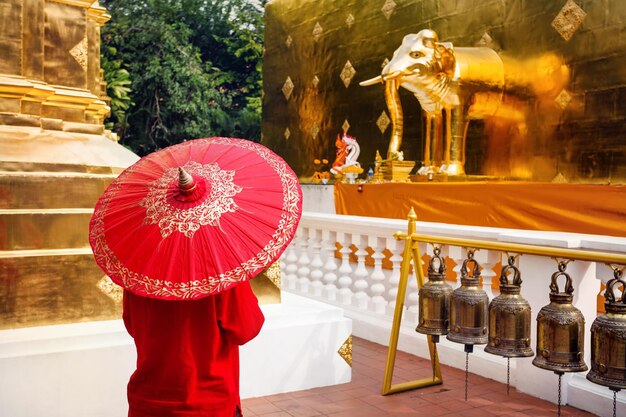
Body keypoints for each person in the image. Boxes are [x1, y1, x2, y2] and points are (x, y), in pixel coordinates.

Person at [122, 280, 265, 417]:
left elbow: (132, 326)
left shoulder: (138, 273)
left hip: (149, 400)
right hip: (209, 402)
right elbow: (245, 330)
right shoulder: (224, 271)